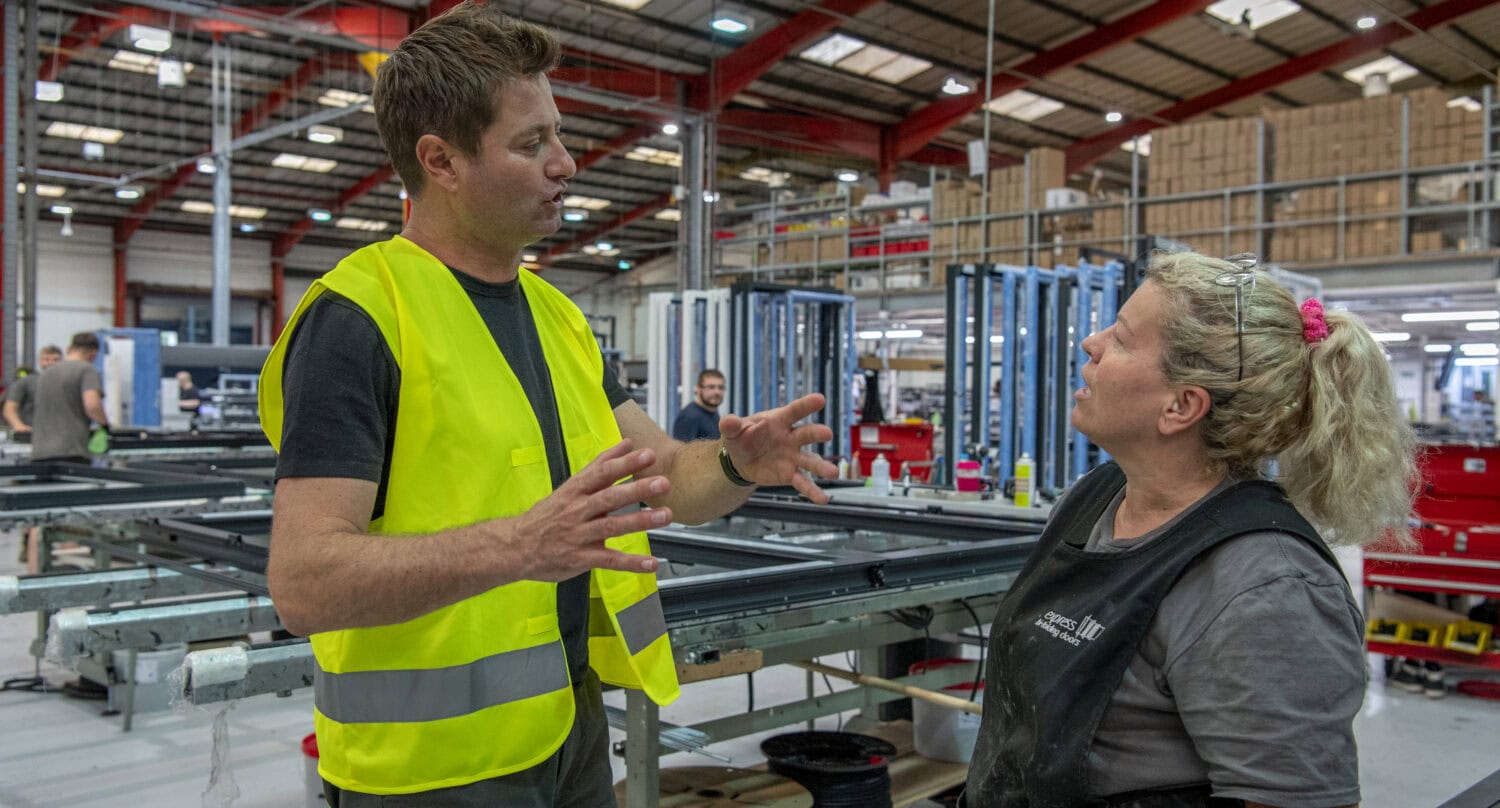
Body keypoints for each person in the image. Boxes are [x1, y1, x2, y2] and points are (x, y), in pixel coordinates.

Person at [258, 5, 839, 806]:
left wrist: (737, 462)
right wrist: (518, 546)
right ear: (441, 161)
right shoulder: (360, 317)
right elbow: (304, 583)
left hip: (568, 733)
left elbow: (662, 475)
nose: (565, 163)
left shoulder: (556, 315)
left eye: (558, 136)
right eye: (531, 144)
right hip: (430, 771)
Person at [964, 251, 1417, 808]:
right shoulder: (1094, 499)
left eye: (1123, 339)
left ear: (1181, 406)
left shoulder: (1265, 587)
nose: (1092, 343)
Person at [32, 333, 108, 463]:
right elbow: (92, 405)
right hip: (71, 452)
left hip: (39, 452)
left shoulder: (45, 374)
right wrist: (105, 426)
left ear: (70, 349)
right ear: (93, 354)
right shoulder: (86, 369)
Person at [3, 345, 63, 438]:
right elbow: (9, 408)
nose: (51, 363)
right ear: (39, 361)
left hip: (60, 435)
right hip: (30, 434)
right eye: (46, 359)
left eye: (56, 360)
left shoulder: (69, 382)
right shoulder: (26, 382)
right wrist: (18, 425)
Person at [672, 369, 725, 440]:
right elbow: (683, 450)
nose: (717, 392)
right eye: (711, 387)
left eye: (720, 387)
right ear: (698, 389)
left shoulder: (713, 413)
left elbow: (718, 447)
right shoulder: (689, 417)